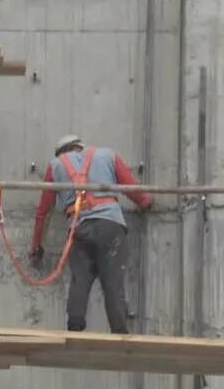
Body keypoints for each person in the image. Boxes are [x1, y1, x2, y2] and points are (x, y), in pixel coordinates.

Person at [29, 135, 153, 334]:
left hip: (79, 228)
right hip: (110, 226)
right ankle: (119, 331)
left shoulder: (56, 166)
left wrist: (36, 247)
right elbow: (132, 188)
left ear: (61, 153)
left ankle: (75, 325)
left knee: (80, 278)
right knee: (112, 280)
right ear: (79, 147)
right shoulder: (108, 155)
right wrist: (146, 202)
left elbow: (43, 212)